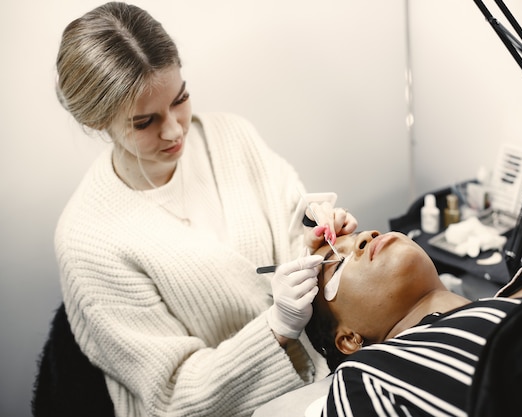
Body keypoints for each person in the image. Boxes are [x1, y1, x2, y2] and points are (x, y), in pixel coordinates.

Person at [52, 2, 357, 416]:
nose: (176, 129)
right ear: (96, 121)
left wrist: (315, 242)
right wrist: (276, 329)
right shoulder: (88, 240)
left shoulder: (231, 137)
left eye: (180, 99)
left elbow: (292, 226)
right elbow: (174, 394)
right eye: (145, 122)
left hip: (321, 382)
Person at [304, 230, 522, 417]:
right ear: (350, 339)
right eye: (337, 264)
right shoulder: (365, 375)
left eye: (360, 233)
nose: (367, 236)